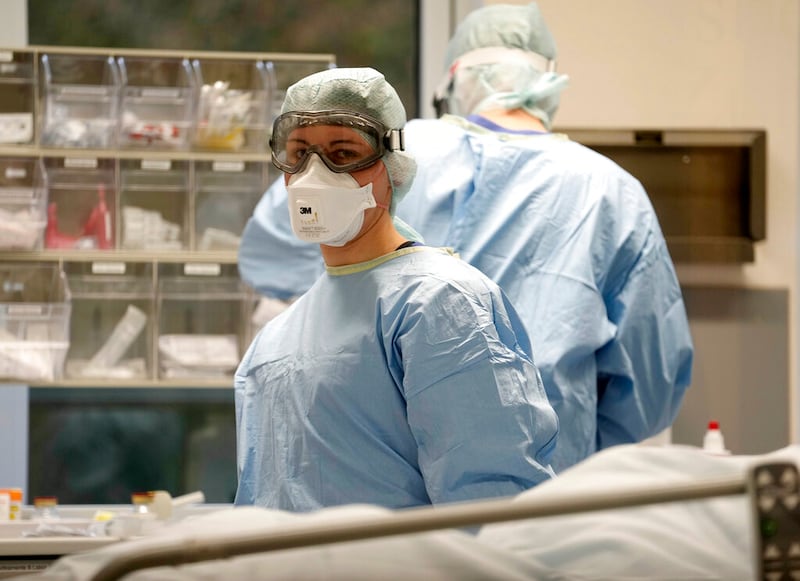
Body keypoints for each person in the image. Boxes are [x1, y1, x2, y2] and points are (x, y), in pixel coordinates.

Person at [237, 2, 694, 473]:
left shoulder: (391, 148)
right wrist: (562, 440)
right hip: (554, 479)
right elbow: (648, 387)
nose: (317, 170)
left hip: (377, 458)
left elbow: (273, 256)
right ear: (549, 81)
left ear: (453, 79)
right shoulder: (609, 188)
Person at [234, 66, 558, 512]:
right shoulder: (275, 338)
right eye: (297, 154)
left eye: (342, 153)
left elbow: (493, 507)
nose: (314, 174)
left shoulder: (440, 303)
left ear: (392, 166)